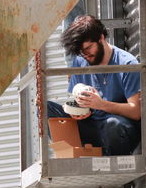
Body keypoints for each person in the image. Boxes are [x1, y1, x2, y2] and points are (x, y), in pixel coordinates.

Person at [48, 15, 141, 156]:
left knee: (113, 124)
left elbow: (136, 112)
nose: (85, 55)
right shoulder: (80, 61)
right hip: (92, 126)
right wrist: (76, 111)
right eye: (81, 52)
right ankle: (71, 155)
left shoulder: (127, 63)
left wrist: (101, 104)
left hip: (116, 131)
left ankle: (109, 159)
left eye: (88, 48)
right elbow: (74, 97)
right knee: (46, 108)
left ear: (101, 37)